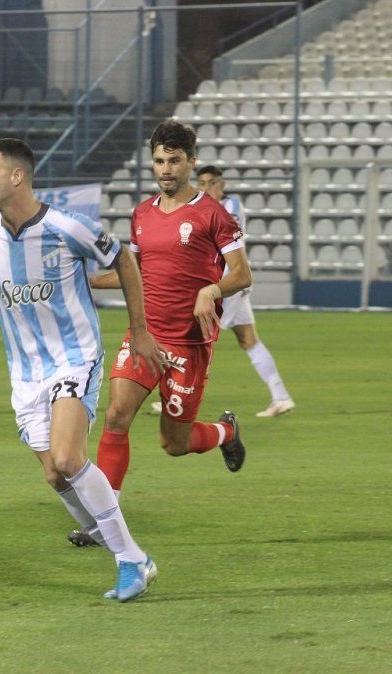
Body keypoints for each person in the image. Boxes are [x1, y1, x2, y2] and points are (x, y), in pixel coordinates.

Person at [0, 138, 160, 601]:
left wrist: (139, 330)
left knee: (68, 458)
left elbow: (123, 258)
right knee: (56, 475)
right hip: (25, 374)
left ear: (16, 176)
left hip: (75, 358)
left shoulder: (66, 227)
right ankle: (117, 541)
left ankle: (131, 558)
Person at [69, 121, 252, 548]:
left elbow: (242, 274)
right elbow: (135, 271)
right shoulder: (142, 214)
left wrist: (211, 289)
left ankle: (225, 432)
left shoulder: (213, 215)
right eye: (158, 161)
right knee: (116, 416)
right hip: (146, 334)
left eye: (174, 160)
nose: (165, 169)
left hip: (189, 343)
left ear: (191, 162)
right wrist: (87, 281)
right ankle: (105, 523)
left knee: (175, 444)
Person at [195, 165, 295, 418]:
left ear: (222, 185)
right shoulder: (203, 208)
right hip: (228, 284)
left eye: (212, 183)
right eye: (202, 183)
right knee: (248, 339)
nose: (207, 188)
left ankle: (181, 398)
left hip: (228, 283)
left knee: (197, 338)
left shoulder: (230, 207)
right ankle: (281, 397)